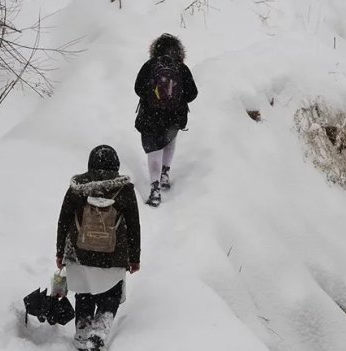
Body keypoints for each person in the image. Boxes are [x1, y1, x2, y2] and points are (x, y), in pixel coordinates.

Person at [56, 145, 141, 351]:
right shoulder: (124, 190)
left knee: (84, 291)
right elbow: (133, 225)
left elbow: (64, 220)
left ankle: (82, 332)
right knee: (110, 293)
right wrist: (134, 258)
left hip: (80, 252)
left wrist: (60, 252)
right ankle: (99, 332)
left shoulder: (77, 188)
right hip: (114, 254)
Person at [134, 33, 198, 207]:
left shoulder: (149, 65)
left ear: (155, 49)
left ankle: (155, 189)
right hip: (173, 117)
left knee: (153, 151)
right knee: (169, 141)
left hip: (150, 117)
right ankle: (165, 174)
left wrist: (152, 97)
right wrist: (176, 99)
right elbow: (192, 94)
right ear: (178, 51)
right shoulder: (181, 68)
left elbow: (138, 88)